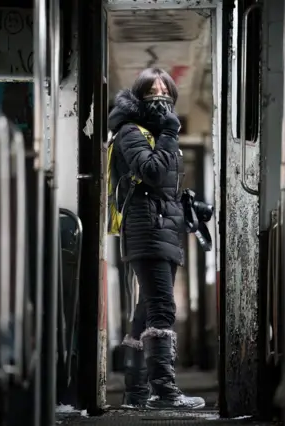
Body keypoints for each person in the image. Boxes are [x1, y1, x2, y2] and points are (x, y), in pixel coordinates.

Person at [107, 68, 205, 410]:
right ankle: (164, 391)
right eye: (152, 90)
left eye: (166, 90)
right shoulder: (131, 132)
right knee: (162, 307)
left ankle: (136, 393)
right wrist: (169, 133)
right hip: (146, 230)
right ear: (139, 95)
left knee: (145, 310)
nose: (160, 96)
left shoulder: (152, 132)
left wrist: (187, 203)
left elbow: (162, 185)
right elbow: (152, 172)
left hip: (159, 228)